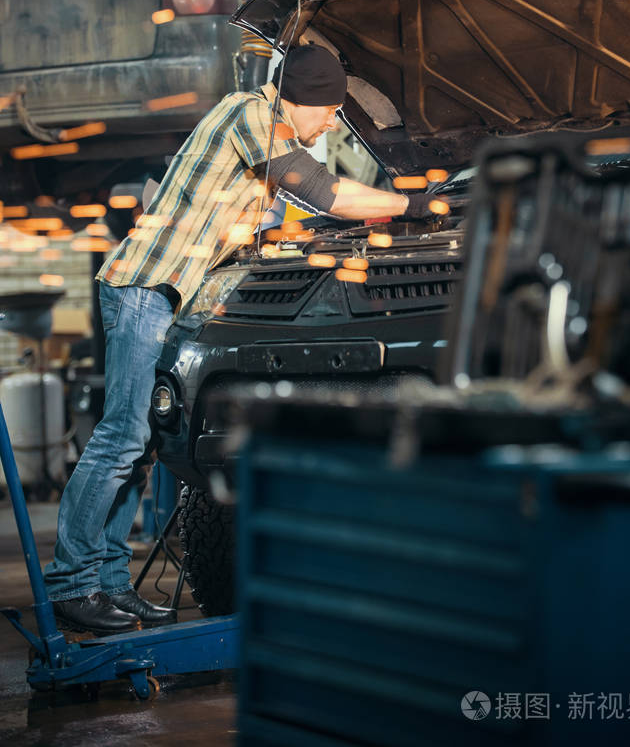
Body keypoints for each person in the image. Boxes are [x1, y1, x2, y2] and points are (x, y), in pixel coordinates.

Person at [43, 45, 437, 634]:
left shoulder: (266, 137)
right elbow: (321, 192)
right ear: (295, 99)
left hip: (169, 293)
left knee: (143, 445)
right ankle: (74, 582)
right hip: (143, 286)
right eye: (327, 110)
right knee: (122, 434)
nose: (331, 122)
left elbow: (282, 215)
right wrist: (412, 204)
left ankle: (110, 584)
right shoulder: (248, 114)